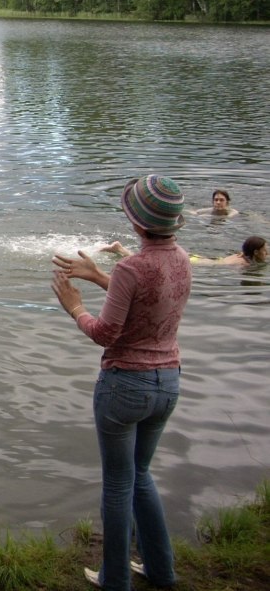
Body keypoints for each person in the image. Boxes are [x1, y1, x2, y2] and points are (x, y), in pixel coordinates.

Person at [51, 175, 189, 591]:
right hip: (168, 383)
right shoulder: (181, 258)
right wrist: (98, 276)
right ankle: (161, 570)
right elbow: (150, 301)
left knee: (117, 484)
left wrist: (75, 307)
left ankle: (115, 578)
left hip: (125, 386)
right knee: (141, 476)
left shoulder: (132, 267)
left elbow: (105, 333)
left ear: (136, 222)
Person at [103, 235, 267, 266]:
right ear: (255, 252)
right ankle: (121, 250)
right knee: (153, 262)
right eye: (265, 251)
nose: (267, 253)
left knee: (155, 258)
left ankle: (122, 250)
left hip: (197, 258)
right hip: (196, 262)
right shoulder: (244, 264)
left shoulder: (241, 256)